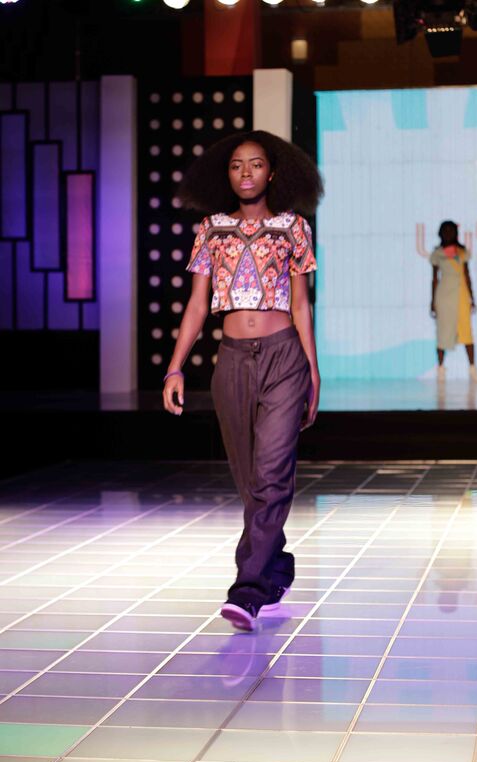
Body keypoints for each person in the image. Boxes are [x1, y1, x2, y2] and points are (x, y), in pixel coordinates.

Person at [162, 130, 323, 632]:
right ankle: (276, 566)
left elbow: (301, 304)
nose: (246, 173)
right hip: (231, 360)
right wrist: (174, 366)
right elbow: (196, 304)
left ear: (272, 173)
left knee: (272, 474)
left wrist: (313, 369)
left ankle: (247, 590)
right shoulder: (211, 229)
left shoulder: (293, 227)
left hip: (283, 355)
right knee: (251, 480)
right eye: (236, 165)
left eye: (255, 164)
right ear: (227, 174)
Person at [430, 220, 477, 381]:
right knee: (443, 331)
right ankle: (440, 369)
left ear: (456, 233)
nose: (448, 233)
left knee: (466, 331)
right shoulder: (437, 254)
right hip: (444, 296)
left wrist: (472, 297)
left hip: (461, 295)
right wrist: (432, 301)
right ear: (440, 233)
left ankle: (472, 369)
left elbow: (467, 275)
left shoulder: (462, 252)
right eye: (445, 230)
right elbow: (434, 279)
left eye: (451, 230)